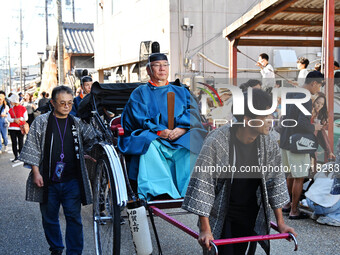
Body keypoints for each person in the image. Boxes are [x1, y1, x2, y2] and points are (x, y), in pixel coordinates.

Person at [183, 89, 295, 255]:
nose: (271, 121)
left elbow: (275, 182)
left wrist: (281, 222)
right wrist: (205, 229)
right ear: (248, 120)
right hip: (223, 212)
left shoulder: (269, 143)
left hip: (249, 212)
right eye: (265, 116)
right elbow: (203, 185)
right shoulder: (217, 140)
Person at [18, 85, 97, 255]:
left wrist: (85, 154)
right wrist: (36, 173)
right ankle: (56, 247)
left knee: (74, 218)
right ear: (53, 103)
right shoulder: (42, 121)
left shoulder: (76, 122)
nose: (67, 106)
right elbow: (32, 147)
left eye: (69, 103)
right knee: (49, 217)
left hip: (72, 180)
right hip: (48, 180)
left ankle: (74, 251)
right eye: (62, 103)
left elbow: (92, 139)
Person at [118, 53, 207, 200]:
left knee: (195, 140)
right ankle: (160, 190)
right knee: (148, 142)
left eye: (165, 65)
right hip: (155, 136)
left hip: (179, 135)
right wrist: (160, 131)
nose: (162, 68)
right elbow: (138, 117)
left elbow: (193, 111)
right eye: (157, 65)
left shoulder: (181, 90)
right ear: (148, 70)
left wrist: (182, 128)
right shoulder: (140, 93)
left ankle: (189, 190)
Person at [280, 71, 324, 219]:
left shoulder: (292, 93)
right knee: (299, 177)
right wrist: (315, 128)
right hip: (298, 143)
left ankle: (287, 204)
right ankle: (294, 210)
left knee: (290, 174)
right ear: (314, 83)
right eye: (319, 85)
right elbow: (303, 122)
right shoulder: (305, 98)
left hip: (285, 139)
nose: (319, 89)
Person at [305, 161, 340, 227]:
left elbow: (315, 178)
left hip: (310, 201)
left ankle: (318, 214)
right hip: (324, 206)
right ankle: (333, 217)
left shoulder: (329, 164)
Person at [311, 92, 335, 162]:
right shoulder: (307, 112)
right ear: (314, 101)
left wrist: (329, 151)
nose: (319, 106)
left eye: (322, 104)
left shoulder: (319, 116)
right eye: (318, 103)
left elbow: (322, 133)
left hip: (309, 145)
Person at [7, 93, 28, 163]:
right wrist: (14, 120)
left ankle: (21, 156)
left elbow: (26, 118)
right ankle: (16, 156)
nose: (10, 102)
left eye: (11, 101)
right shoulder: (10, 109)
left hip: (20, 128)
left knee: (21, 142)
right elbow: (8, 118)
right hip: (12, 128)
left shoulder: (23, 108)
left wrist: (20, 119)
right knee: (14, 143)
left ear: (14, 101)